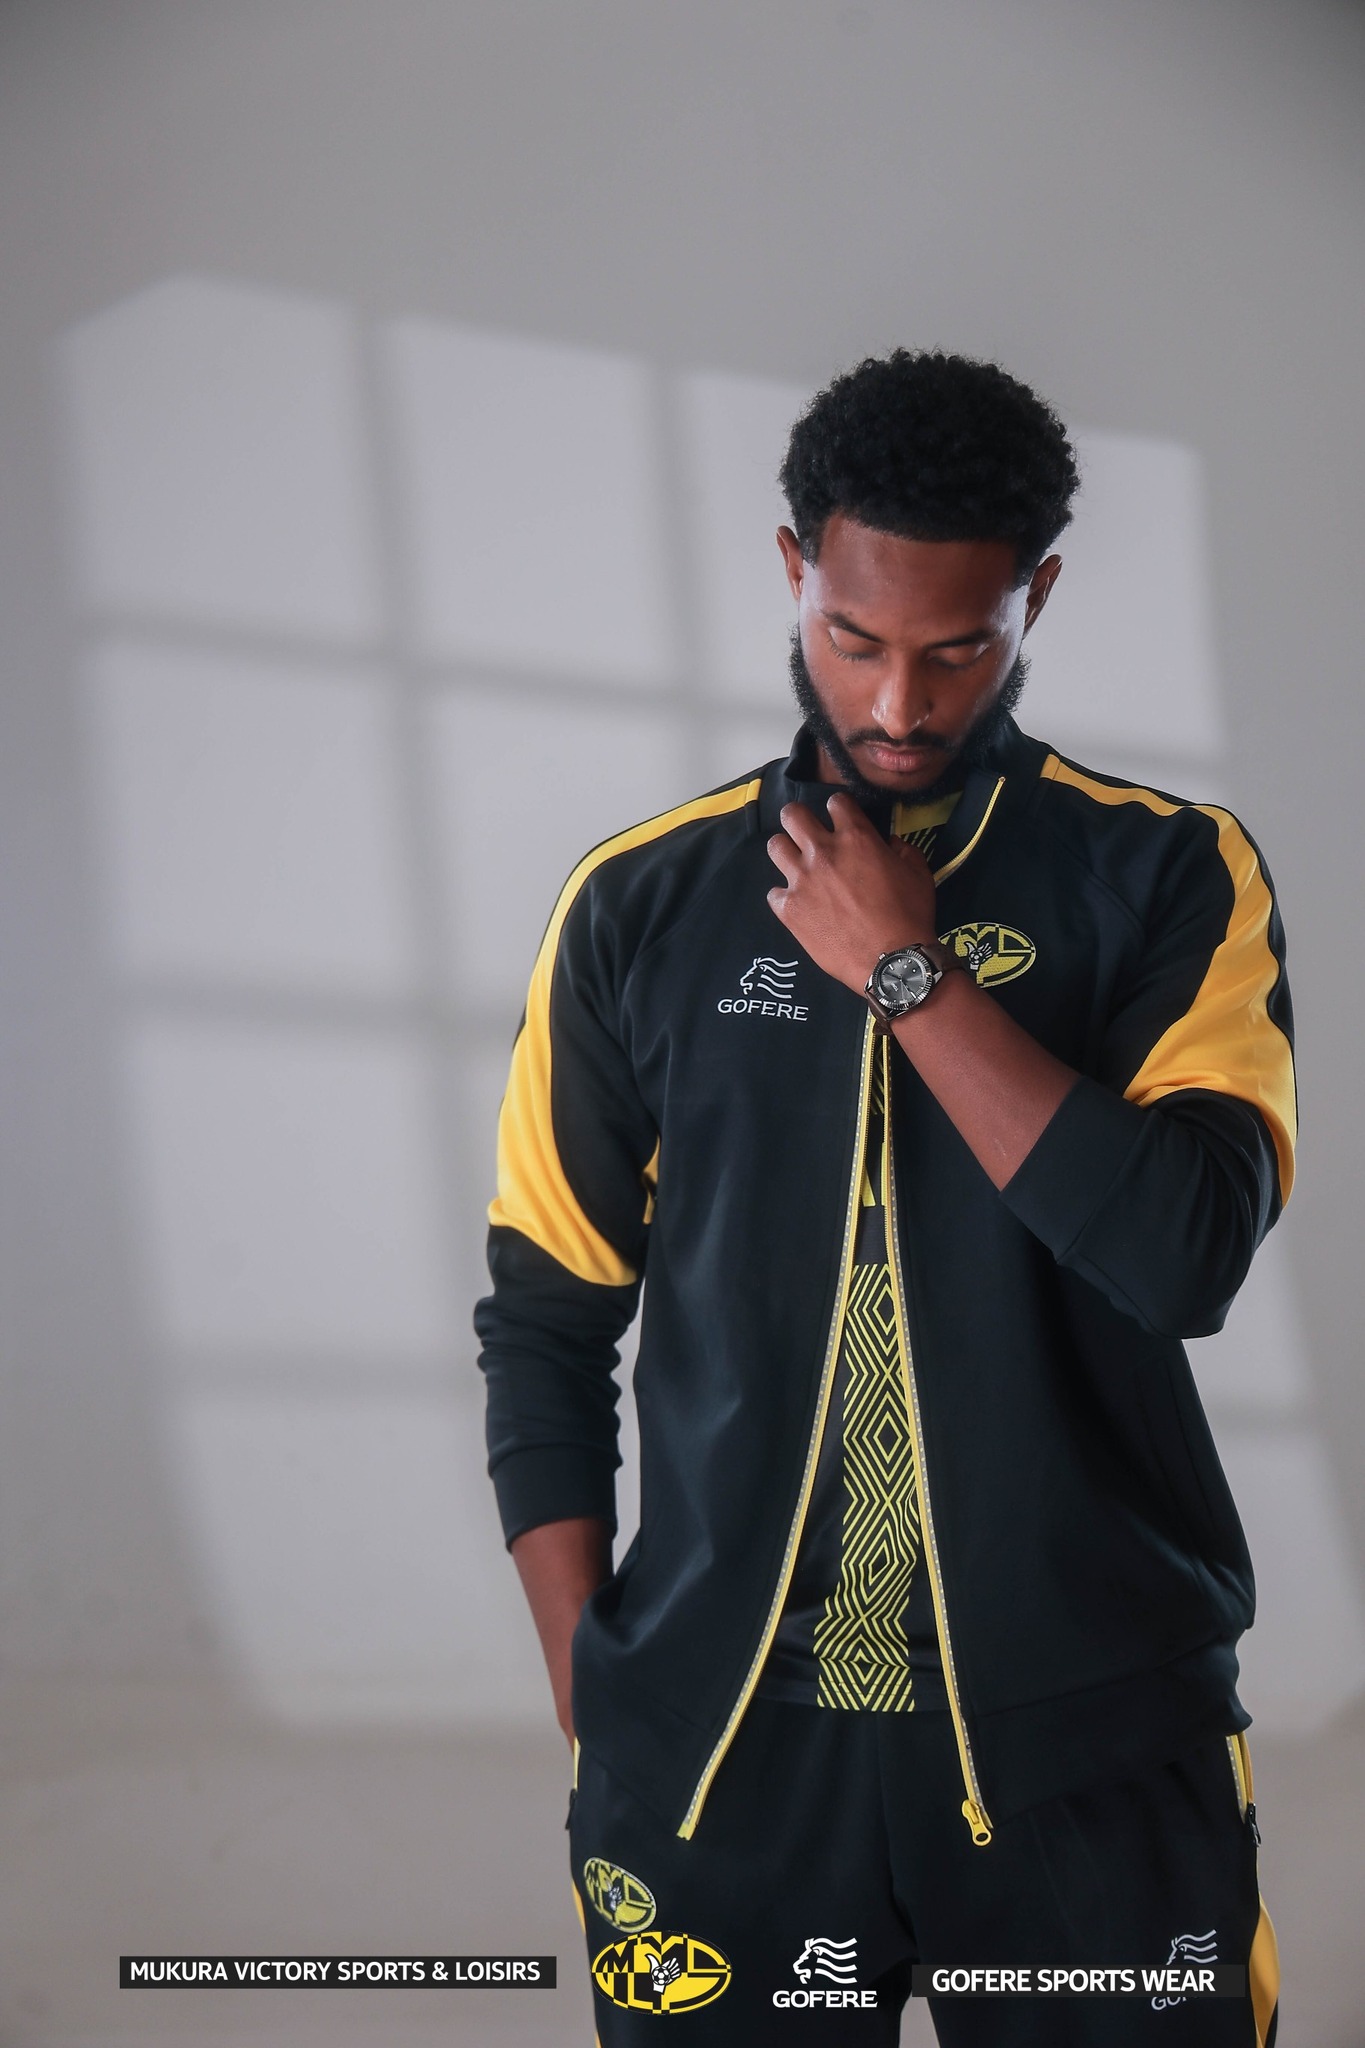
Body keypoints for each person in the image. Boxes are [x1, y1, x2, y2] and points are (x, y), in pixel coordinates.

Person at [475, 350, 1289, 2045]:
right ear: (795, 571)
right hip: (724, 1753)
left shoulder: (1165, 874)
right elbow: (547, 1313)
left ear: (1031, 598)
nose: (899, 704)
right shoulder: (638, 904)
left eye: (955, 648)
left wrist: (908, 975)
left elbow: (1182, 1254)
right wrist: (592, 1681)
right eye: (853, 639)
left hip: (1087, 1750)